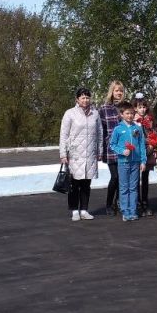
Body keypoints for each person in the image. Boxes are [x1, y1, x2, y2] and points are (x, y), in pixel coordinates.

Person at [60, 87, 103, 221]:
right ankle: (74, 210)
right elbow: (64, 134)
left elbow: (100, 133)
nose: (85, 100)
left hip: (90, 153)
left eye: (87, 97)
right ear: (77, 99)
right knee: (74, 184)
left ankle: (84, 210)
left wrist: (99, 150)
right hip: (75, 154)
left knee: (86, 183)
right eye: (83, 97)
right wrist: (63, 154)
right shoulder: (70, 113)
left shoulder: (95, 114)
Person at [108, 101, 146, 222]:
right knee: (124, 187)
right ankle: (125, 211)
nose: (129, 116)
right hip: (123, 162)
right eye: (127, 113)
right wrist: (122, 151)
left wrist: (143, 161)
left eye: (131, 113)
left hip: (135, 162)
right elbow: (112, 144)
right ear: (122, 114)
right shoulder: (118, 129)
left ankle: (133, 210)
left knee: (134, 187)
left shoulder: (137, 128)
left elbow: (141, 145)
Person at [98, 81, 126, 216]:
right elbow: (100, 130)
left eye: (121, 91)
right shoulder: (104, 109)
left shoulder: (126, 107)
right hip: (111, 148)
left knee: (122, 177)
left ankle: (119, 201)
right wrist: (102, 146)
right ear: (112, 92)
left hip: (125, 148)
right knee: (114, 177)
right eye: (116, 91)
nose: (119, 93)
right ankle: (109, 204)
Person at [134, 93, 156, 216]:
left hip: (148, 152)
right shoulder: (133, 120)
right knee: (136, 178)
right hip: (137, 153)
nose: (142, 109)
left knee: (146, 178)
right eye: (139, 107)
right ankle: (137, 202)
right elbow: (135, 137)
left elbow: (154, 133)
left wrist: (153, 143)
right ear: (135, 108)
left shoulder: (149, 120)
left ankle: (145, 202)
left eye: (144, 107)